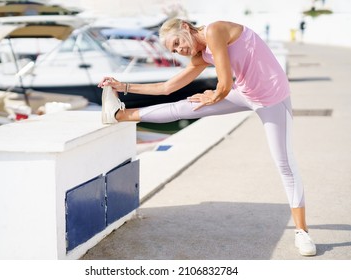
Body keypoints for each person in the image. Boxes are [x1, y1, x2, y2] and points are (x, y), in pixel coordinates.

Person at [97, 18, 316, 256]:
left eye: (178, 43)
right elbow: (167, 88)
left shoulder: (216, 30)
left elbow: (223, 84)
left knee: (283, 163)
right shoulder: (201, 55)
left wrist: (213, 96)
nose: (180, 50)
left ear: (185, 27)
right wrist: (124, 86)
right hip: (245, 93)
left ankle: (302, 232)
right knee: (182, 107)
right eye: (174, 50)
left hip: (272, 98)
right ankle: (120, 114)